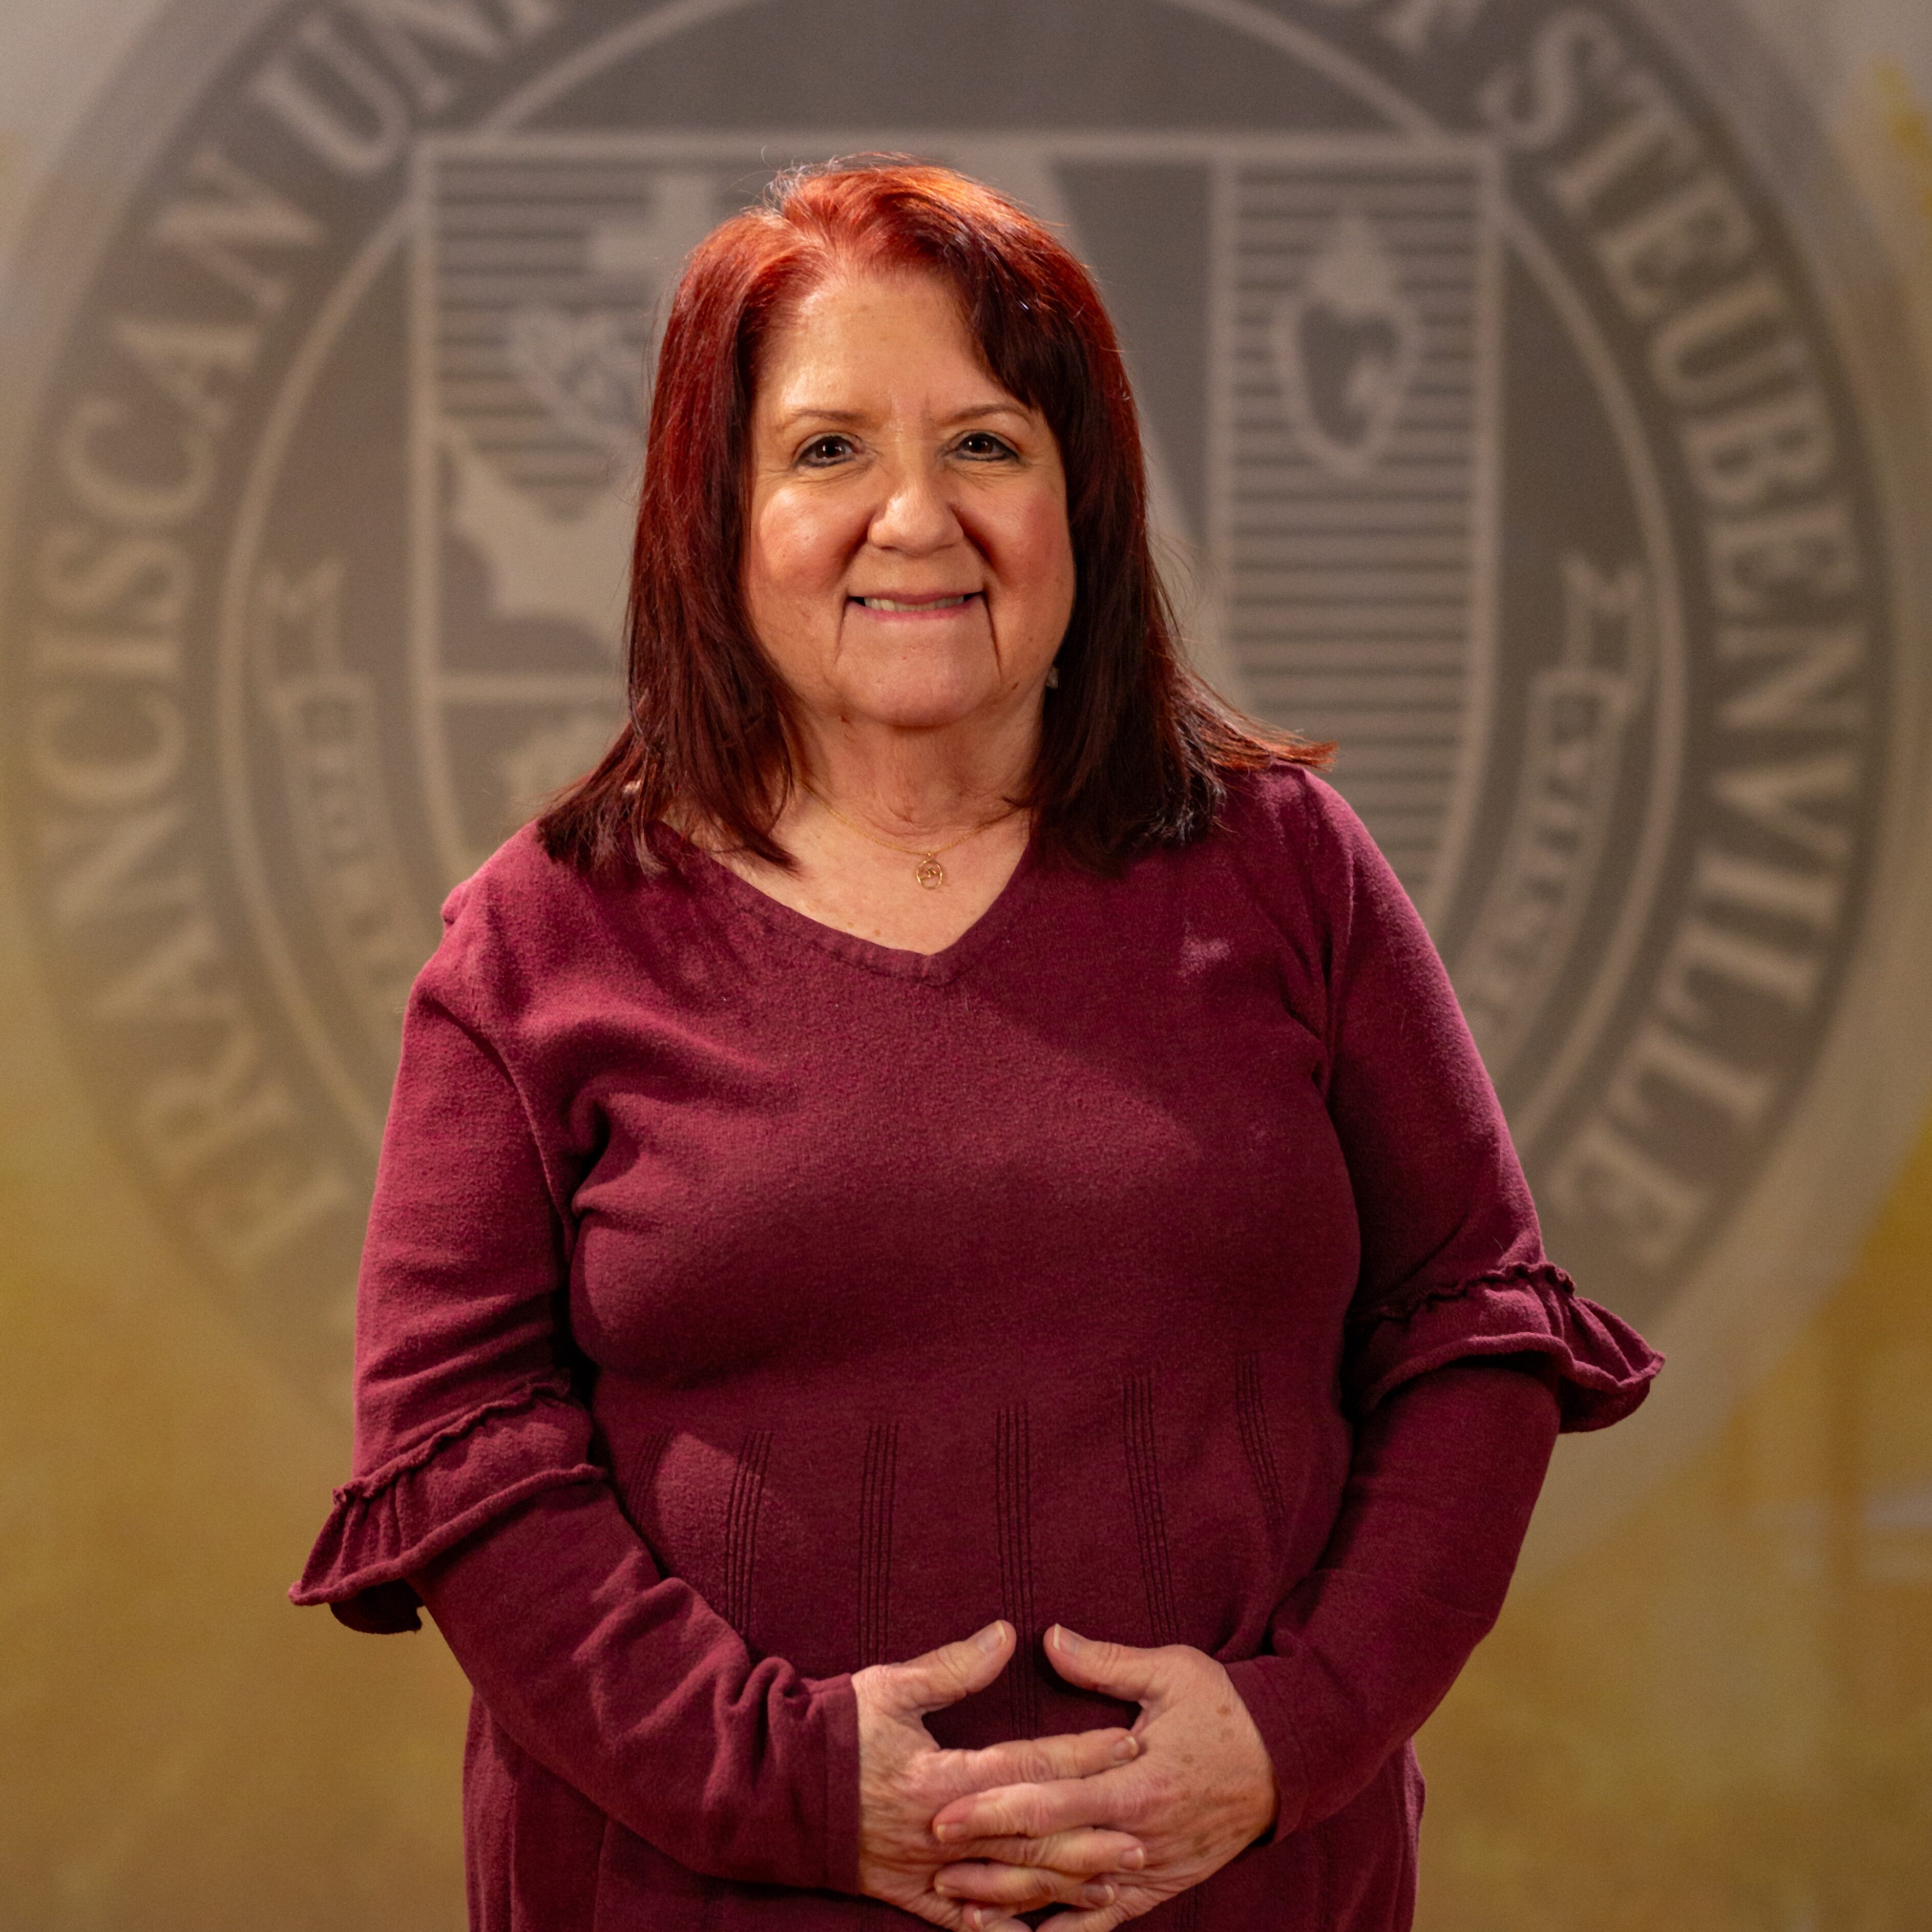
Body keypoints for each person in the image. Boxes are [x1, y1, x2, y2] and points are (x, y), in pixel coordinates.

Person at [292, 159, 1660, 1932]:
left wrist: (1291, 1731)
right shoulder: (536, 941)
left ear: (1082, 498)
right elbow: (465, 1450)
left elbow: (1472, 1335)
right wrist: (784, 1780)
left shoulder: (1287, 870)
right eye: (827, 449)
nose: (914, 517)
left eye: (985, 444)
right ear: (714, 514)